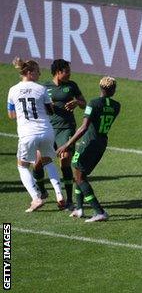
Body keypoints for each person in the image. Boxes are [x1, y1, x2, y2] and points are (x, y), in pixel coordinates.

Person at [57, 76, 120, 222]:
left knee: (79, 177)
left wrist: (67, 144)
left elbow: (84, 127)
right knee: (81, 175)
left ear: (100, 87)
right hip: (102, 142)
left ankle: (99, 211)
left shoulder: (93, 103)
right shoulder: (117, 106)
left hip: (90, 141)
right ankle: (79, 209)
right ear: (113, 90)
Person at [7, 57, 64, 212]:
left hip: (27, 133)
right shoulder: (41, 89)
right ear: (30, 72)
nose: (39, 75)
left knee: (22, 165)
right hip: (46, 131)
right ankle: (59, 195)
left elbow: (11, 115)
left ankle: (36, 198)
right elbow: (50, 111)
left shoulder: (13, 90)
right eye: (38, 72)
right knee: (48, 162)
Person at [33, 59, 86, 210]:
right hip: (48, 129)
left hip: (66, 128)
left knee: (65, 160)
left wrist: (77, 102)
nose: (69, 74)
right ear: (58, 72)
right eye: (66, 71)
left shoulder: (72, 86)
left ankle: (69, 199)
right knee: (37, 162)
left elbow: (84, 103)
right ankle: (42, 192)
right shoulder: (44, 87)